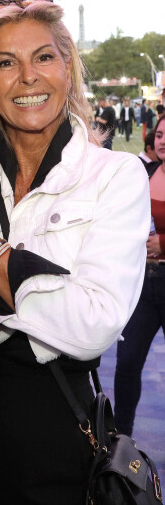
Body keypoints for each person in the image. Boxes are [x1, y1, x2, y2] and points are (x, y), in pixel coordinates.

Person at [0, 0, 149, 505]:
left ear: (66, 68)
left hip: (54, 434)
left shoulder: (112, 177)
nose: (28, 77)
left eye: (44, 58)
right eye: (6, 63)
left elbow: (94, 323)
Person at [113, 113, 165, 437]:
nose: (162, 140)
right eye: (159, 134)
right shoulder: (144, 172)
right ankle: (121, 439)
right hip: (144, 284)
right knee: (127, 363)